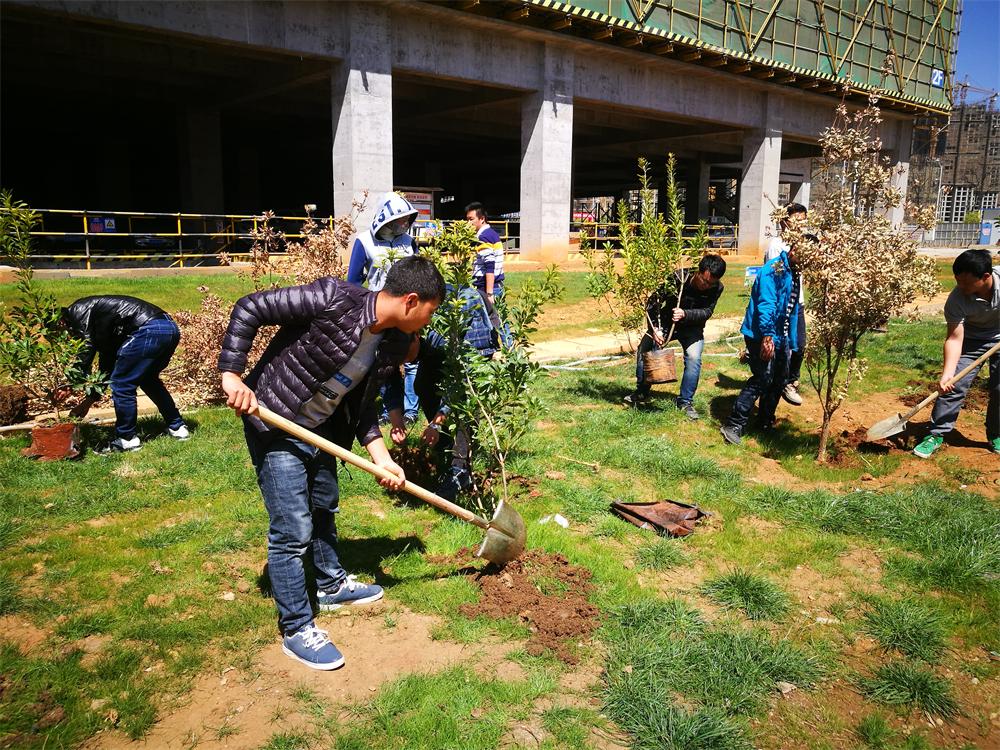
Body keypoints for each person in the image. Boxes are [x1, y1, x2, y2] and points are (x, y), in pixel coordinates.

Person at [218, 255, 445, 671]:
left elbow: (361, 408)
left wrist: (383, 458)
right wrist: (232, 374)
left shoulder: (388, 342)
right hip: (274, 420)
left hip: (320, 431)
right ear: (412, 301)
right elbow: (250, 307)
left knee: (324, 504)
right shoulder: (331, 298)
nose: (426, 326)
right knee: (292, 529)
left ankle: (331, 584)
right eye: (429, 314)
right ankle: (297, 628)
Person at [386, 285, 496, 499]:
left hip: (471, 329)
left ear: (417, 336)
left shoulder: (448, 330)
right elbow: (388, 378)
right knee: (422, 384)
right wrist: (397, 421)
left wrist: (436, 423)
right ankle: (443, 447)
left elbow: (459, 385)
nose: (403, 363)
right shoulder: (390, 331)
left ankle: (461, 468)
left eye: (406, 356)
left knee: (466, 402)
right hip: (439, 336)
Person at [61, 295, 189, 452]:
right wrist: (89, 401)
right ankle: (178, 427)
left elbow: (87, 346)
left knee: (122, 384)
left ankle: (127, 439)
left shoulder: (77, 311)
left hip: (147, 329)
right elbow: (107, 364)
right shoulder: (103, 324)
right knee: (148, 380)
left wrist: (71, 382)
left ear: (61, 321)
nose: (68, 336)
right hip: (169, 328)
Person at [913, 249, 1000, 458]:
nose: (961, 287)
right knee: (954, 385)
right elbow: (954, 338)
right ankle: (936, 434)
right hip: (970, 340)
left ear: (986, 277)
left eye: (967, 283)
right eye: (958, 281)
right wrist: (947, 373)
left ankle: (996, 433)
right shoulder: (957, 298)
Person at [720, 238, 806, 446]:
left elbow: (791, 309)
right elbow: (766, 304)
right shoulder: (774, 269)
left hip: (781, 335)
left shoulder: (795, 271)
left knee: (780, 380)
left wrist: (791, 342)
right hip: (761, 334)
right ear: (794, 250)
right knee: (763, 378)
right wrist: (768, 337)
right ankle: (734, 424)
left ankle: (765, 421)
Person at [347, 192, 422, 423]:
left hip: (409, 312)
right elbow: (353, 281)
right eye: (399, 219)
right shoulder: (364, 242)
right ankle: (388, 409)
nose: (404, 223)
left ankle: (410, 410)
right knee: (383, 362)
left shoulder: (409, 242)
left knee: (410, 359)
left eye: (407, 219)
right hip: (378, 313)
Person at [624, 254, 727, 420]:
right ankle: (642, 392)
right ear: (698, 272)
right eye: (704, 280)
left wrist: (685, 314)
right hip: (664, 322)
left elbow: (707, 311)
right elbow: (653, 301)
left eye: (711, 283)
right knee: (645, 348)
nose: (706, 286)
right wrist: (655, 329)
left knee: (694, 358)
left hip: (692, 328)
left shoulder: (717, 288)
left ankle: (685, 401)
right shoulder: (679, 277)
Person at [763, 202, 808, 406]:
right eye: (796, 221)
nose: (801, 225)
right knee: (782, 347)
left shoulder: (804, 243)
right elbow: (775, 278)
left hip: (797, 302)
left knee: (799, 345)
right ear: (784, 221)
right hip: (783, 306)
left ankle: (790, 381)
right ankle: (776, 383)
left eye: (803, 221)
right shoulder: (777, 245)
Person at [465, 202, 505, 317]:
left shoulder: (484, 237)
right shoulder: (491, 234)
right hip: (495, 286)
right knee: (500, 322)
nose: (468, 223)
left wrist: (489, 293)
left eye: (471, 219)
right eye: (467, 219)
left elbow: (489, 266)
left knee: (493, 321)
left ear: (482, 219)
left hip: (487, 287)